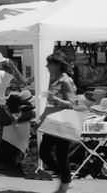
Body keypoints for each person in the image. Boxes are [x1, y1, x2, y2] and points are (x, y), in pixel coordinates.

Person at [39, 53, 78, 193]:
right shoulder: (54, 79)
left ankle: (65, 182)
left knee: (60, 154)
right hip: (53, 120)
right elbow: (50, 103)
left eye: (49, 64)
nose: (46, 66)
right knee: (44, 152)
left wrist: (55, 98)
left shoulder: (66, 81)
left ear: (56, 65)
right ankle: (65, 177)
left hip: (64, 121)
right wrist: (41, 118)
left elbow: (73, 103)